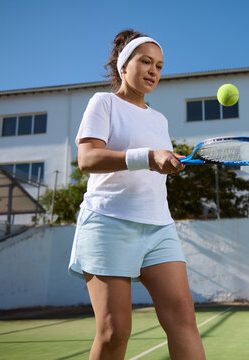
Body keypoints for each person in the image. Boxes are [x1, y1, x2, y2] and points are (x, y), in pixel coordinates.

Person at [68, 29, 206, 360]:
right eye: (145, 62)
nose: (153, 71)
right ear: (122, 65)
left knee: (183, 319)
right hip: (108, 222)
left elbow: (153, 170)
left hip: (159, 227)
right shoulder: (103, 103)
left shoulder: (159, 119)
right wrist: (147, 157)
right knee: (115, 331)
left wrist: (167, 163)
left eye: (159, 65)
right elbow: (87, 158)